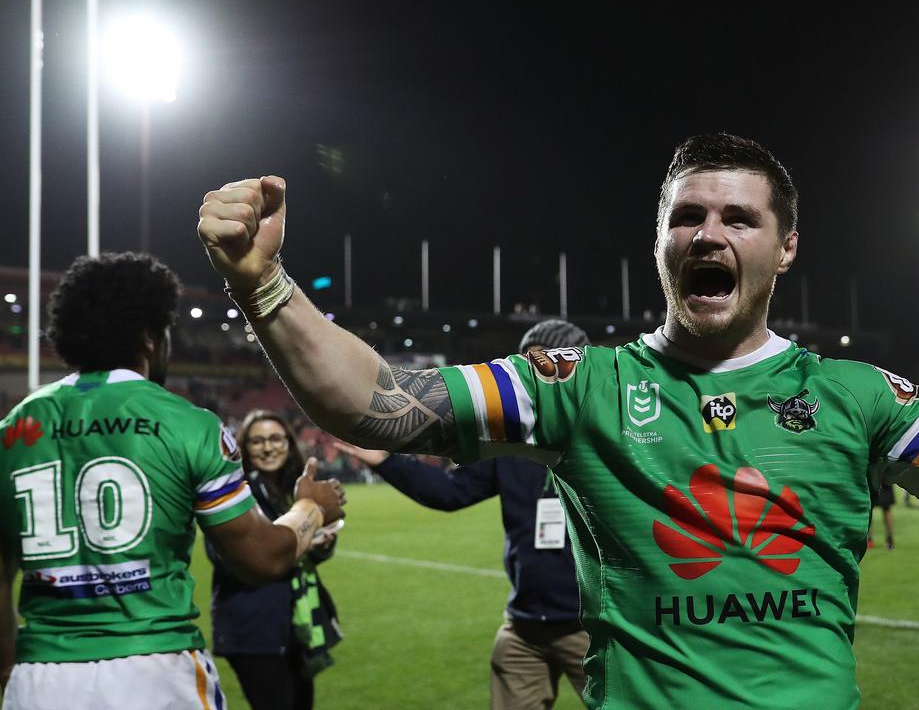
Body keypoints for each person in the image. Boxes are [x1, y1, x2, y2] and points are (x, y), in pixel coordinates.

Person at [196, 132, 919, 709]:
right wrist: (262, 284)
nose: (710, 234)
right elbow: (379, 402)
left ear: (786, 246)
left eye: (740, 217)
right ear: (659, 242)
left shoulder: (862, 396)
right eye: (687, 215)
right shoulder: (579, 383)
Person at [0, 253, 344, 709]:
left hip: (40, 680)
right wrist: (312, 507)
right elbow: (260, 559)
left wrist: (8, 675)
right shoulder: (187, 424)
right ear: (149, 338)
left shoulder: (13, 430)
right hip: (155, 671)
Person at [334, 319, 591, 710]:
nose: (538, 374)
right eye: (530, 364)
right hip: (523, 628)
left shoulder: (608, 440)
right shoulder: (511, 446)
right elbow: (450, 492)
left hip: (591, 627)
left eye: (551, 365)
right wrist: (386, 461)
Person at [206, 409, 343, 710]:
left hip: (296, 625)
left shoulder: (291, 490)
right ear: (243, 447)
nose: (268, 448)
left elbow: (303, 555)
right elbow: (223, 557)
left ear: (289, 443)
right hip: (253, 629)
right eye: (257, 441)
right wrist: (300, 540)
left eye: (276, 438)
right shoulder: (232, 491)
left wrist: (320, 545)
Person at [867, 481, 896, 549]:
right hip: (884, 477)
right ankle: (889, 539)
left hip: (874, 477)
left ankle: (869, 539)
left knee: (870, 507)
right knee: (886, 508)